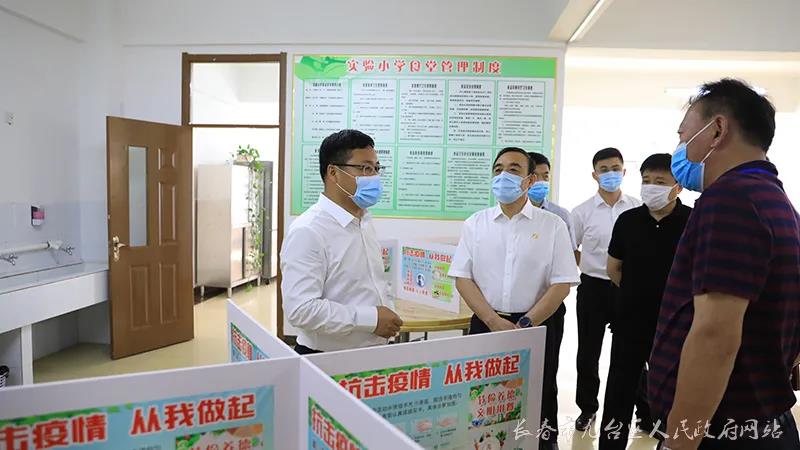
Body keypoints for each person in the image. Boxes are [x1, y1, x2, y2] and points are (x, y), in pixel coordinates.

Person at [649, 79, 800, 450]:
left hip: (723, 430)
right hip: (762, 421)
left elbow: (715, 335)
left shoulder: (731, 199)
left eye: (683, 135)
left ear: (717, 130)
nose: (680, 149)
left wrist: (679, 442)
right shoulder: (774, 199)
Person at [449, 147, 579, 450]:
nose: (503, 175)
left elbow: (562, 283)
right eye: (498, 169)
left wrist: (526, 324)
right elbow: (462, 278)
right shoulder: (476, 223)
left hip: (538, 323)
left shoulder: (552, 225)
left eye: (514, 169)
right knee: (485, 392)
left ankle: (543, 443)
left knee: (539, 388)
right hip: (487, 321)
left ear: (530, 180)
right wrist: (493, 321)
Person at [598, 154, 692, 450]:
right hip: (630, 321)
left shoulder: (692, 221)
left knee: (674, 393)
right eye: (646, 181)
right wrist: (638, 292)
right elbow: (613, 269)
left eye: (659, 182)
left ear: (678, 186)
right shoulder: (628, 220)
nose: (651, 187)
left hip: (676, 326)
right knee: (620, 391)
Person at [280, 129, 403, 354]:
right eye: (365, 168)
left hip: (372, 353)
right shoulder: (308, 231)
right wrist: (371, 319)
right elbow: (300, 309)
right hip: (328, 358)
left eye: (376, 168)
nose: (374, 177)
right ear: (333, 172)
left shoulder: (364, 221)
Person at [570, 147, 642, 431]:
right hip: (593, 289)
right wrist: (589, 265)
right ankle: (587, 408)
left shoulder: (637, 208)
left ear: (624, 171)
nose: (610, 174)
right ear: (594, 175)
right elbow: (571, 248)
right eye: (604, 169)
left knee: (633, 351)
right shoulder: (581, 212)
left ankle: (643, 411)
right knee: (588, 352)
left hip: (627, 287)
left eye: (615, 168)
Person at [527, 152, 577, 250]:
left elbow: (570, 252)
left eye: (545, 176)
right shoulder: (511, 213)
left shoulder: (561, 215)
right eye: (535, 176)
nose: (541, 181)